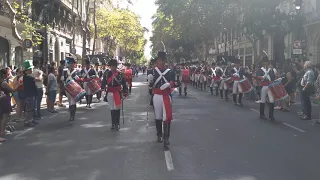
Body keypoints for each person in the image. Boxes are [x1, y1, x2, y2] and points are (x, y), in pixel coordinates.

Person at [149, 52, 176, 149]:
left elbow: (176, 82)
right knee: (158, 117)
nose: (161, 62)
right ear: (157, 61)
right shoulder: (153, 71)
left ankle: (166, 138)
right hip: (157, 95)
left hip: (166, 95)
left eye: (163, 60)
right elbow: (150, 87)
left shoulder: (170, 71)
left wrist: (170, 84)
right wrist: (150, 82)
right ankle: (159, 135)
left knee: (167, 117)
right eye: (160, 60)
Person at [101, 59, 128, 131]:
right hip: (109, 92)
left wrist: (125, 93)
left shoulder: (120, 74)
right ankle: (113, 123)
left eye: (114, 66)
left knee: (117, 108)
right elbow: (103, 83)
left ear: (116, 66)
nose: (113, 67)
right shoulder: (107, 74)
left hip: (117, 93)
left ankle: (117, 123)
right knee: (112, 108)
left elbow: (124, 84)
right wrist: (102, 90)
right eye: (112, 66)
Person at [0, 69, 20, 142]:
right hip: (4, 100)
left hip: (2, 100)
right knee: (4, 117)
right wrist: (18, 85)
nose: (8, 75)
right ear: (3, 75)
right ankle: (1, 134)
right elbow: (12, 90)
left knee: (2, 117)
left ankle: (2, 131)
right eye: (7, 74)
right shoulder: (3, 83)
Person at [23, 60, 39, 127]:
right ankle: (27, 121)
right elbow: (38, 79)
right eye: (31, 69)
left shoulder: (26, 77)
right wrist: (40, 74)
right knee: (29, 109)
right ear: (27, 70)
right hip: (29, 95)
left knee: (31, 108)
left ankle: (31, 120)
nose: (32, 70)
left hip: (31, 94)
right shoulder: (28, 77)